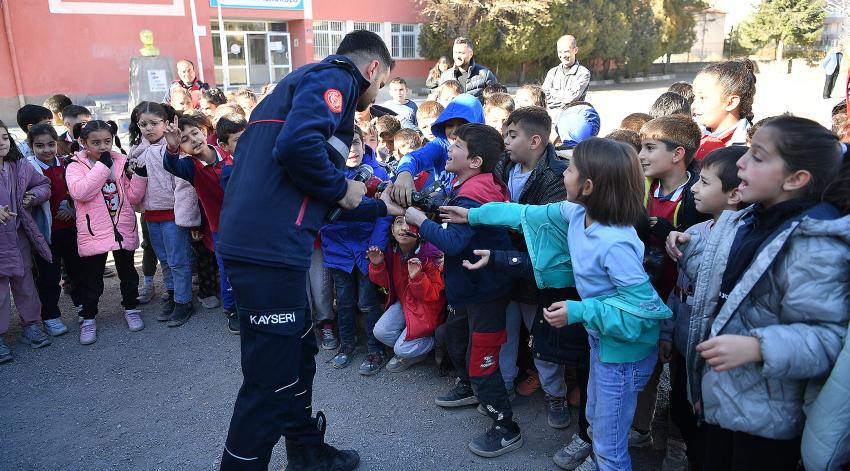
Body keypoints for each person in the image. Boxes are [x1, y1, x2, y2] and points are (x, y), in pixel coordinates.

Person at [214, 30, 401, 471]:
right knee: (269, 384)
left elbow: (313, 196)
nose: (378, 94)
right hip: (266, 251)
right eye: (383, 84)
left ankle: (306, 452)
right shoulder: (334, 80)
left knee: (298, 356)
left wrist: (377, 205)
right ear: (372, 68)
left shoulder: (301, 85)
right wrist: (343, 188)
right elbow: (298, 149)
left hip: (273, 245)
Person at [442, 137, 672, 470]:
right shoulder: (577, 213)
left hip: (624, 351)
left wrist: (579, 310)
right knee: (595, 418)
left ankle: (605, 462)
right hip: (603, 340)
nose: (564, 172)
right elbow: (525, 214)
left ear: (589, 185)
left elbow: (641, 310)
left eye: (572, 168)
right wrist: (474, 215)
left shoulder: (615, 242)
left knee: (609, 441)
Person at [666, 116, 850, 471]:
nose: (740, 162)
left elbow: (826, 339)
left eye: (758, 157)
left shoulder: (816, 245)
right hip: (721, 393)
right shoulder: (745, 219)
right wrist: (686, 245)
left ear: (796, 180)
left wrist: (756, 347)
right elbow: (723, 289)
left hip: (765, 417)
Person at [403, 123, 521, 458]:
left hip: (485, 291)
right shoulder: (468, 182)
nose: (448, 148)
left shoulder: (477, 192)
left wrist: (416, 219)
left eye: (456, 145)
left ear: (475, 161)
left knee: (482, 358)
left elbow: (454, 243)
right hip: (467, 289)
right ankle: (469, 387)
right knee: (456, 339)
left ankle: (506, 427)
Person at [490, 106, 579, 432]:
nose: (507, 142)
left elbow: (543, 228)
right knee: (505, 334)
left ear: (536, 140)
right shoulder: (502, 165)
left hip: (535, 273)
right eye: (505, 134)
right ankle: (504, 386)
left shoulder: (557, 175)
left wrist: (499, 220)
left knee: (543, 342)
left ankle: (555, 394)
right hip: (500, 266)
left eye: (513, 135)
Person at [660, 146, 745, 471]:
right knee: (682, 406)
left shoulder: (740, 241)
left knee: (705, 421)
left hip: (713, 353)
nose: (694, 187)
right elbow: (679, 290)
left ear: (735, 193)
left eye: (705, 183)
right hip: (683, 343)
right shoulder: (694, 232)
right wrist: (667, 332)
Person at [65, 120, 147, 345]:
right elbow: (81, 192)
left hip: (122, 227)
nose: (103, 146)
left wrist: (139, 176)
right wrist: (102, 166)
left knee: (128, 274)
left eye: (107, 141)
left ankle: (131, 308)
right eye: (96, 142)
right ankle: (88, 317)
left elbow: (132, 198)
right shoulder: (75, 165)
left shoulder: (121, 161)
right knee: (92, 279)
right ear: (82, 142)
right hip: (94, 231)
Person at [321, 128, 390, 374]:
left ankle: (375, 349)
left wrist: (376, 246)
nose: (351, 149)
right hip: (337, 247)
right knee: (345, 301)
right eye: (345, 145)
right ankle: (347, 344)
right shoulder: (327, 173)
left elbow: (385, 215)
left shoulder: (379, 173)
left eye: (356, 143)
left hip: (367, 249)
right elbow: (322, 213)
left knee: (368, 302)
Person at [161, 116, 236, 332]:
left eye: (195, 133)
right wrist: (172, 148)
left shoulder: (228, 152)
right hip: (220, 229)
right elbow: (170, 164)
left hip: (246, 224)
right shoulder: (189, 166)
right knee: (228, 270)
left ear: (204, 132)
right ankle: (232, 310)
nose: (193, 140)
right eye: (185, 139)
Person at [134, 102, 196, 327]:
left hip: (172, 214)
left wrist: (187, 216)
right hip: (151, 215)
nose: (149, 128)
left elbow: (184, 184)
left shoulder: (173, 147)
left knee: (178, 260)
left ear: (166, 123)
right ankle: (172, 295)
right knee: (165, 260)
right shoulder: (137, 150)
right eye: (143, 124)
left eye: (154, 123)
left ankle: (183, 301)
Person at [0, 119, 54, 363]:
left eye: (3, 137)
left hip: (18, 236)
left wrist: (33, 196)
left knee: (25, 284)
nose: (1, 143)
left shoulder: (18, 165)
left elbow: (44, 184)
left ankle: (31, 326)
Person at [26, 123, 83, 337]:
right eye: (40, 146)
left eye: (51, 144)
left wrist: (71, 208)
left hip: (70, 228)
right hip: (44, 233)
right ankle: (50, 316)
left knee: (77, 270)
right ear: (31, 146)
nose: (47, 150)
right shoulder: (28, 168)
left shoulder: (67, 163)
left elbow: (76, 191)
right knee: (49, 276)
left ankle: (82, 306)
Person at [368, 216, 445, 372]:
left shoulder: (432, 255)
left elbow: (433, 295)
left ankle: (431, 344)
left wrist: (417, 278)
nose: (404, 228)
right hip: (404, 303)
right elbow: (385, 284)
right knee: (380, 332)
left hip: (427, 309)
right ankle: (411, 348)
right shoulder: (392, 251)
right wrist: (377, 265)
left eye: (410, 224)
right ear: (392, 230)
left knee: (401, 350)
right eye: (398, 223)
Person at [392, 94, 485, 204]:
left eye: (462, 124)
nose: (454, 131)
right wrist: (404, 173)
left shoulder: (487, 149)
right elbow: (414, 158)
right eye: (449, 125)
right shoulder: (441, 144)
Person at [692, 58, 756, 160]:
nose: (693, 105)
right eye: (694, 97)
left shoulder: (745, 150)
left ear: (731, 103)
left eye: (702, 98)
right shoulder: (691, 133)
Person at [541, 35, 592, 111]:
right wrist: (565, 95)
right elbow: (543, 96)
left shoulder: (583, 73)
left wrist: (552, 92)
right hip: (552, 118)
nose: (563, 55)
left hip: (572, 116)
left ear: (575, 50)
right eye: (560, 52)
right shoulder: (552, 72)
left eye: (566, 51)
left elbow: (572, 98)